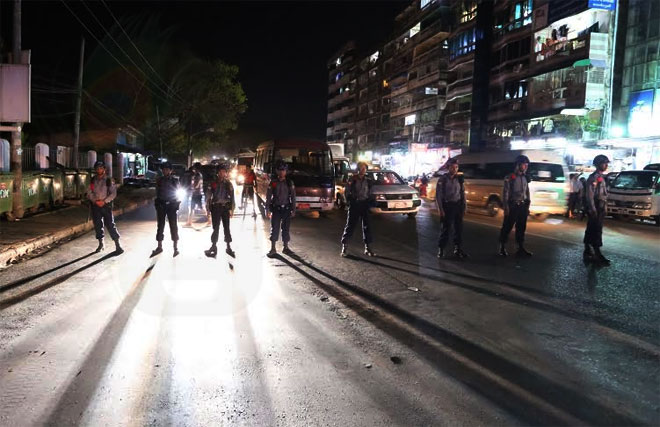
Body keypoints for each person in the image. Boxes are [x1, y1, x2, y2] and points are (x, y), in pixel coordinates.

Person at [498, 155, 533, 257]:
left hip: (522, 205)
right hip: (512, 205)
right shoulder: (510, 177)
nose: (525, 167)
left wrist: (527, 205)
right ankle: (502, 247)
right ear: (518, 165)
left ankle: (520, 247)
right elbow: (506, 193)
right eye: (523, 165)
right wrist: (506, 207)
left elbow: (527, 192)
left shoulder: (526, 177)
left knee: (521, 227)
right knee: (507, 227)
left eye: (526, 165)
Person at [87, 160, 123, 254]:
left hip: (106, 206)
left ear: (104, 169)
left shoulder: (109, 180)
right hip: (96, 206)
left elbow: (113, 193)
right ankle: (101, 244)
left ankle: (117, 245)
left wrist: (104, 201)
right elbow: (89, 192)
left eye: (101, 168)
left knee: (110, 225)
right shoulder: (92, 180)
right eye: (97, 168)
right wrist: (95, 201)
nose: (99, 170)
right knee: (98, 226)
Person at [341, 161, 376, 257]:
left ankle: (368, 247)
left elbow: (371, 192)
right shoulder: (352, 179)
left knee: (367, 226)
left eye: (364, 168)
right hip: (355, 205)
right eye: (361, 168)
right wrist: (349, 201)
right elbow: (347, 192)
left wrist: (370, 201)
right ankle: (345, 247)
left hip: (364, 204)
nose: (363, 170)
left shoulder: (368, 180)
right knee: (350, 226)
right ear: (358, 169)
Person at [436, 158, 468, 259]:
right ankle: (441, 249)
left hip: (458, 205)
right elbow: (439, 196)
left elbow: (462, 193)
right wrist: (441, 210)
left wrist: (464, 206)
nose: (454, 169)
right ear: (448, 168)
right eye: (452, 167)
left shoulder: (460, 179)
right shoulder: (443, 179)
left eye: (456, 167)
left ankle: (457, 249)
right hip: (447, 206)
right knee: (446, 229)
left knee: (459, 229)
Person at [583, 155, 611, 265]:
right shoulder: (593, 178)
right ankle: (597, 254)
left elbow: (604, 195)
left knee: (591, 229)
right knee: (596, 230)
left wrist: (605, 208)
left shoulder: (602, 177)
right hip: (596, 207)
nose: (606, 165)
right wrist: (593, 209)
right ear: (598, 164)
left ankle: (588, 250)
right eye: (604, 163)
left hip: (600, 207)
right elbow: (590, 195)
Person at [266, 161, 296, 257]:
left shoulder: (289, 182)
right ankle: (273, 248)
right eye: (280, 170)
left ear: (286, 171)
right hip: (276, 208)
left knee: (286, 228)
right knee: (274, 228)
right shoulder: (273, 182)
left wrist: (293, 209)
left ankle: (285, 247)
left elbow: (293, 197)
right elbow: (268, 196)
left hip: (286, 208)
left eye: (283, 170)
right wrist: (267, 209)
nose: (282, 172)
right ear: (276, 171)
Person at [205, 164, 235, 257]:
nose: (222, 173)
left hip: (225, 207)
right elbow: (208, 196)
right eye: (221, 171)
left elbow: (232, 198)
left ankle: (228, 246)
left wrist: (232, 209)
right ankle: (214, 246)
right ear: (217, 173)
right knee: (216, 228)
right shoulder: (213, 183)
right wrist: (208, 209)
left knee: (226, 228)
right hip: (216, 207)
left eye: (224, 171)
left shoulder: (228, 184)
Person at [151, 162, 180, 257]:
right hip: (162, 205)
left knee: (173, 226)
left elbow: (178, 192)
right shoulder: (159, 180)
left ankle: (175, 247)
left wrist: (176, 203)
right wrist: (158, 203)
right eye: (164, 169)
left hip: (171, 205)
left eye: (167, 169)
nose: (165, 171)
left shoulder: (175, 180)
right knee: (160, 226)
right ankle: (159, 246)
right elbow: (157, 192)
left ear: (171, 170)